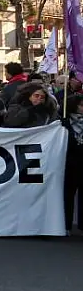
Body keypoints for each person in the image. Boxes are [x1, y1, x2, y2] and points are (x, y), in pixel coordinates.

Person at [62, 95, 83, 233]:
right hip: (69, 163)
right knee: (67, 195)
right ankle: (66, 224)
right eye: (81, 105)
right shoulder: (64, 123)